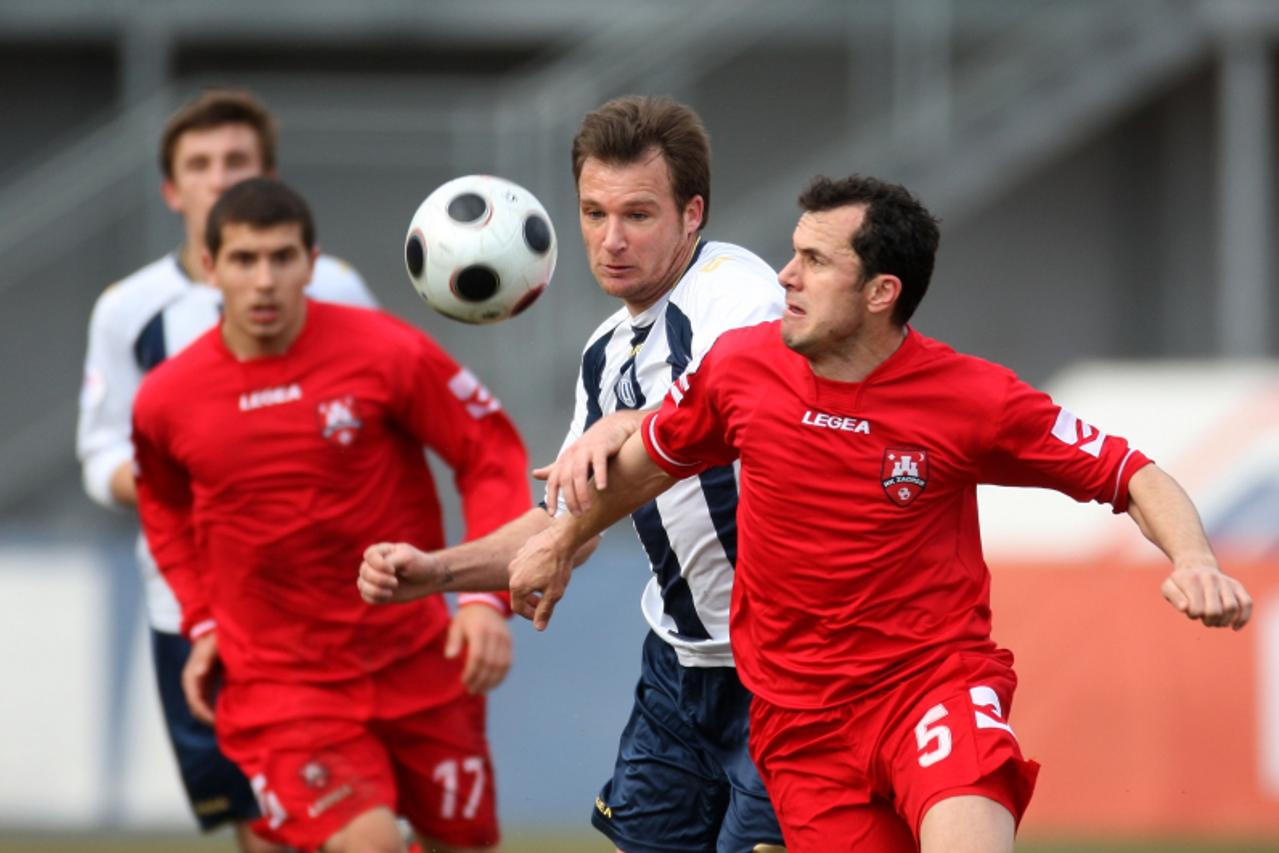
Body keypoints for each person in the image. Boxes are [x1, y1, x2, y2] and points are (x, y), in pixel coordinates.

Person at [499, 174, 1254, 853]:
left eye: (815, 262)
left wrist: (1192, 559)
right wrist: (563, 535)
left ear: (879, 292)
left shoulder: (972, 399)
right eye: (793, 254)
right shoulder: (740, 368)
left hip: (929, 687)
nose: (786, 277)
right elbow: (645, 465)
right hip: (801, 727)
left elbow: (1133, 473)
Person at [358, 95, 786, 853]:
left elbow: (703, 418)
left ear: (693, 214)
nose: (610, 240)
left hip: (782, 671)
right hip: (679, 669)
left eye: (637, 215)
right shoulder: (606, 350)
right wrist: (438, 572)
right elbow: (568, 520)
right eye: (592, 213)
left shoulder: (735, 292)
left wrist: (621, 426)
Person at [132, 176, 529, 852]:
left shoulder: (386, 351)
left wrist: (486, 599)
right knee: (367, 841)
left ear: (312, 264)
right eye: (244, 259)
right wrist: (201, 619)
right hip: (283, 684)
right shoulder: (166, 398)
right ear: (209, 266)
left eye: (282, 258)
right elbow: (164, 508)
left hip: (421, 663)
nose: (264, 280)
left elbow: (488, 453)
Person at [76, 88, 378, 852]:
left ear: (267, 175)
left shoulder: (335, 285)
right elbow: (100, 451)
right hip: (191, 606)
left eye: (236, 161)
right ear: (173, 190)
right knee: (259, 819)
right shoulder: (130, 310)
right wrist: (180, 482)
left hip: (323, 600)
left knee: (351, 811)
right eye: (200, 165)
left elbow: (381, 419)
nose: (219, 178)